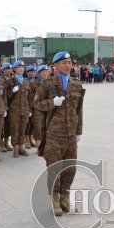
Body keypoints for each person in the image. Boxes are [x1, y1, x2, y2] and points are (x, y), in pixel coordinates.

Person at [34, 51, 85, 216]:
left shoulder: (76, 84)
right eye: (64, 63)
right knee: (55, 169)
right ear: (55, 66)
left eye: (70, 62)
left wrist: (78, 131)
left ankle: (65, 197)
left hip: (71, 135)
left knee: (70, 169)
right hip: (54, 134)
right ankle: (55, 198)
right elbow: (36, 104)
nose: (68, 65)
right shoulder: (47, 84)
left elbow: (79, 110)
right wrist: (51, 103)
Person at [7, 60, 31, 158]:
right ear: (15, 69)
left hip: (25, 109)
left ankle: (21, 147)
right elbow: (5, 96)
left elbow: (29, 97)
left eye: (22, 67)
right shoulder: (10, 81)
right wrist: (11, 91)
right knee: (15, 129)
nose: (21, 69)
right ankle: (16, 148)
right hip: (14, 109)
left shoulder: (26, 81)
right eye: (19, 67)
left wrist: (30, 109)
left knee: (22, 129)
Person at [31, 64, 49, 146]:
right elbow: (35, 95)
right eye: (43, 72)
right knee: (38, 125)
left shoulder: (50, 82)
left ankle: (45, 142)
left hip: (48, 107)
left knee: (46, 125)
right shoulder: (35, 83)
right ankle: (38, 144)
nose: (45, 73)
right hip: (37, 107)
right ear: (38, 73)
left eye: (46, 71)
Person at [0, 62, 14, 152]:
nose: (9, 70)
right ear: (3, 70)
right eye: (7, 69)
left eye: (10, 69)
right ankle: (1, 143)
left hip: (12, 105)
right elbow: (3, 94)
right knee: (2, 125)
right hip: (3, 104)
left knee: (8, 125)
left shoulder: (13, 79)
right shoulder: (1, 80)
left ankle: (6, 143)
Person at [25, 65, 37, 149]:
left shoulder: (37, 82)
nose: (33, 73)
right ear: (27, 73)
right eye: (31, 72)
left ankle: (31, 138)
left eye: (34, 72)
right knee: (27, 123)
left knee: (33, 123)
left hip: (35, 105)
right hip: (27, 105)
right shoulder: (25, 81)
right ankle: (26, 140)